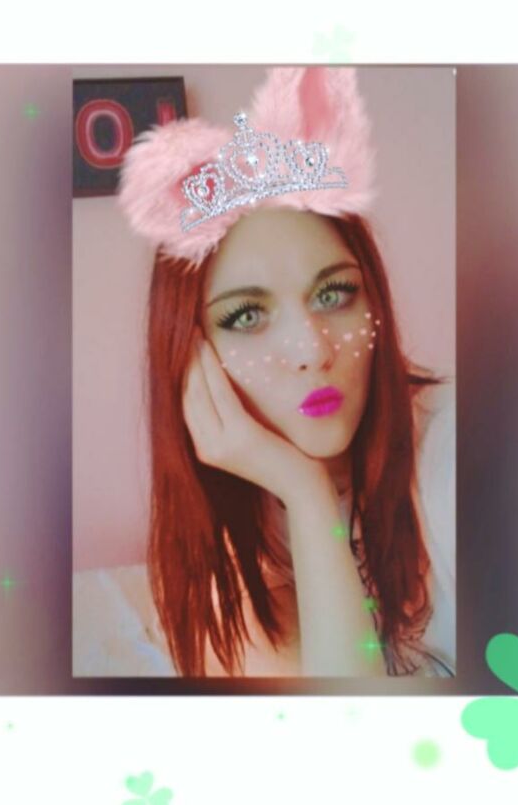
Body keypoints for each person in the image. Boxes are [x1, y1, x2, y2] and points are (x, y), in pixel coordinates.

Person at [73, 66, 455, 679]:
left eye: (334, 294)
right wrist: (304, 491)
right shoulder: (233, 519)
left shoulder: (456, 453)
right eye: (247, 316)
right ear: (193, 358)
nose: (311, 349)